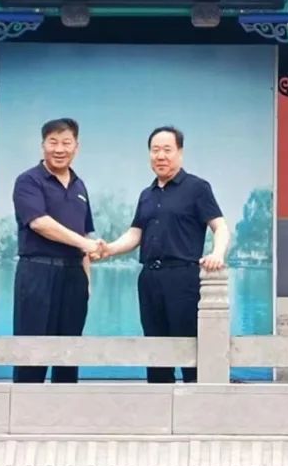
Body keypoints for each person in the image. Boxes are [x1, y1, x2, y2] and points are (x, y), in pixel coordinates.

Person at [96, 125, 230, 383]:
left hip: (183, 278)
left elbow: (220, 226)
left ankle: (196, 401)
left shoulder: (197, 188)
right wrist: (109, 249)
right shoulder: (147, 195)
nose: (160, 156)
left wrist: (217, 253)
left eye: (167, 150)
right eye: (155, 150)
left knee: (189, 346)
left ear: (180, 153)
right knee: (155, 347)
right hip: (149, 279)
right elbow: (135, 233)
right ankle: (158, 398)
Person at [11, 117, 100, 383]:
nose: (59, 149)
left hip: (73, 276)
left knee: (69, 351)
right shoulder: (28, 181)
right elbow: (40, 223)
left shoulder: (79, 186)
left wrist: (87, 281)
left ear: (76, 147)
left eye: (66, 143)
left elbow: (85, 235)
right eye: (53, 142)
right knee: (32, 349)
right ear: (43, 146)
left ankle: (65, 406)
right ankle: (25, 406)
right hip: (38, 273)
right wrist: (84, 244)